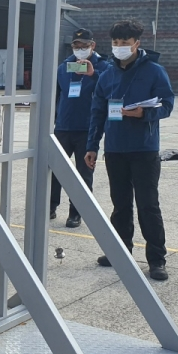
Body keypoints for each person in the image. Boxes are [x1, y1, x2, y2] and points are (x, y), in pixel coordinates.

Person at [85, 19, 174, 281]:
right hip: (115, 149)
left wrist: (143, 113)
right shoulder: (107, 75)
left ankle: (157, 259)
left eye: (125, 42)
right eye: (115, 43)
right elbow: (97, 112)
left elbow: (167, 105)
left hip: (144, 149)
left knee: (148, 205)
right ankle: (120, 252)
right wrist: (92, 146)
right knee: (120, 204)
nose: (119, 47)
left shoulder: (155, 71)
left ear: (137, 43)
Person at [50, 29, 109, 228]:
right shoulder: (64, 66)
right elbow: (55, 94)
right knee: (55, 169)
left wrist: (93, 74)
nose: (80, 49)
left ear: (93, 45)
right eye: (76, 46)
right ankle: (50, 206)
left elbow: (111, 86)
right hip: (64, 126)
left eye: (84, 46)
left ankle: (76, 212)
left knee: (83, 173)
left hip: (87, 128)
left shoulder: (104, 66)